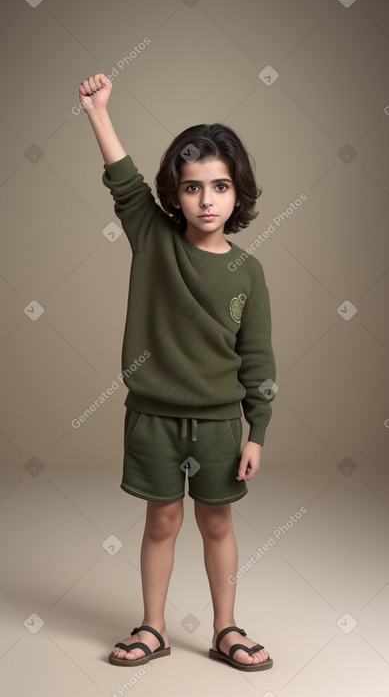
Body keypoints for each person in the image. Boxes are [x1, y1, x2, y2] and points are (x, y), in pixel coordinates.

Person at [78, 73, 277, 672]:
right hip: (154, 419)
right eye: (192, 188)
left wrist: (257, 433)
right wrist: (98, 112)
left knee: (216, 523)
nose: (207, 200)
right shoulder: (153, 238)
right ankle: (154, 628)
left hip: (219, 424)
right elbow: (124, 180)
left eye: (220, 186)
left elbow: (259, 361)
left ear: (238, 193)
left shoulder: (248, 272)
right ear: (175, 194)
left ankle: (225, 629)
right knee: (161, 521)